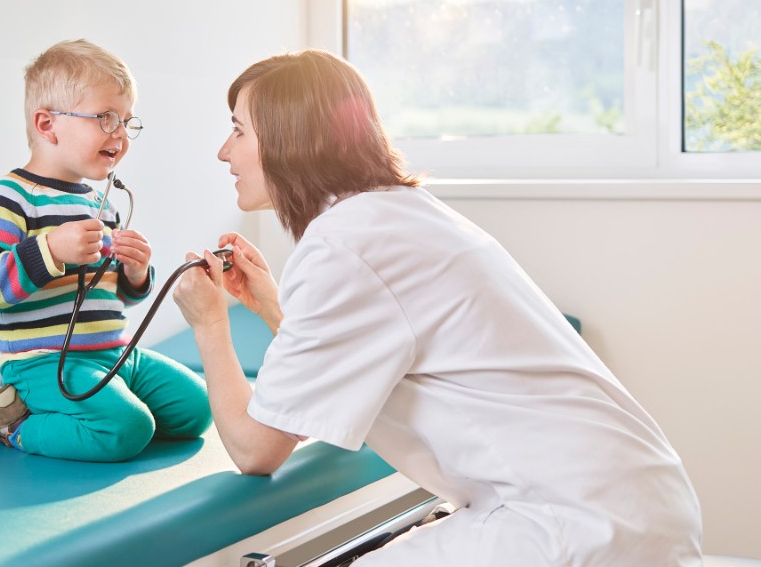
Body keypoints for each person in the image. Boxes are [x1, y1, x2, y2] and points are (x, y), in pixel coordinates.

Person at [172, 49, 704, 565]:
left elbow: (255, 449)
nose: (224, 151)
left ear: (290, 140)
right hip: (637, 500)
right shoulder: (396, 213)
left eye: (239, 130)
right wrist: (271, 305)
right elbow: (364, 349)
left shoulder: (341, 245)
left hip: (566, 523)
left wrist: (208, 322)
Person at [0, 39, 211, 462]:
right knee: (127, 428)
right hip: (42, 363)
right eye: (105, 118)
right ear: (47, 125)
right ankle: (13, 422)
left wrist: (135, 273)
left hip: (115, 354)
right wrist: (49, 250)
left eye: (127, 121)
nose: (120, 134)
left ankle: (100, 405)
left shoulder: (102, 203)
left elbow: (113, 297)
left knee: (198, 409)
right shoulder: (8, 199)